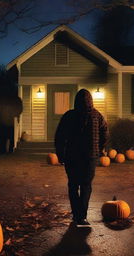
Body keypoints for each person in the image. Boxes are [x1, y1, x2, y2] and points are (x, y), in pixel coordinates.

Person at [55, 89, 108, 227]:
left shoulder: (69, 116)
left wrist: (60, 154)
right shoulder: (97, 116)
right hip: (90, 157)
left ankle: (76, 214)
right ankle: (82, 217)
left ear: (75, 101)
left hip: (72, 156)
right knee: (86, 186)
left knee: (73, 185)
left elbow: (60, 136)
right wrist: (100, 148)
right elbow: (105, 133)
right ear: (91, 101)